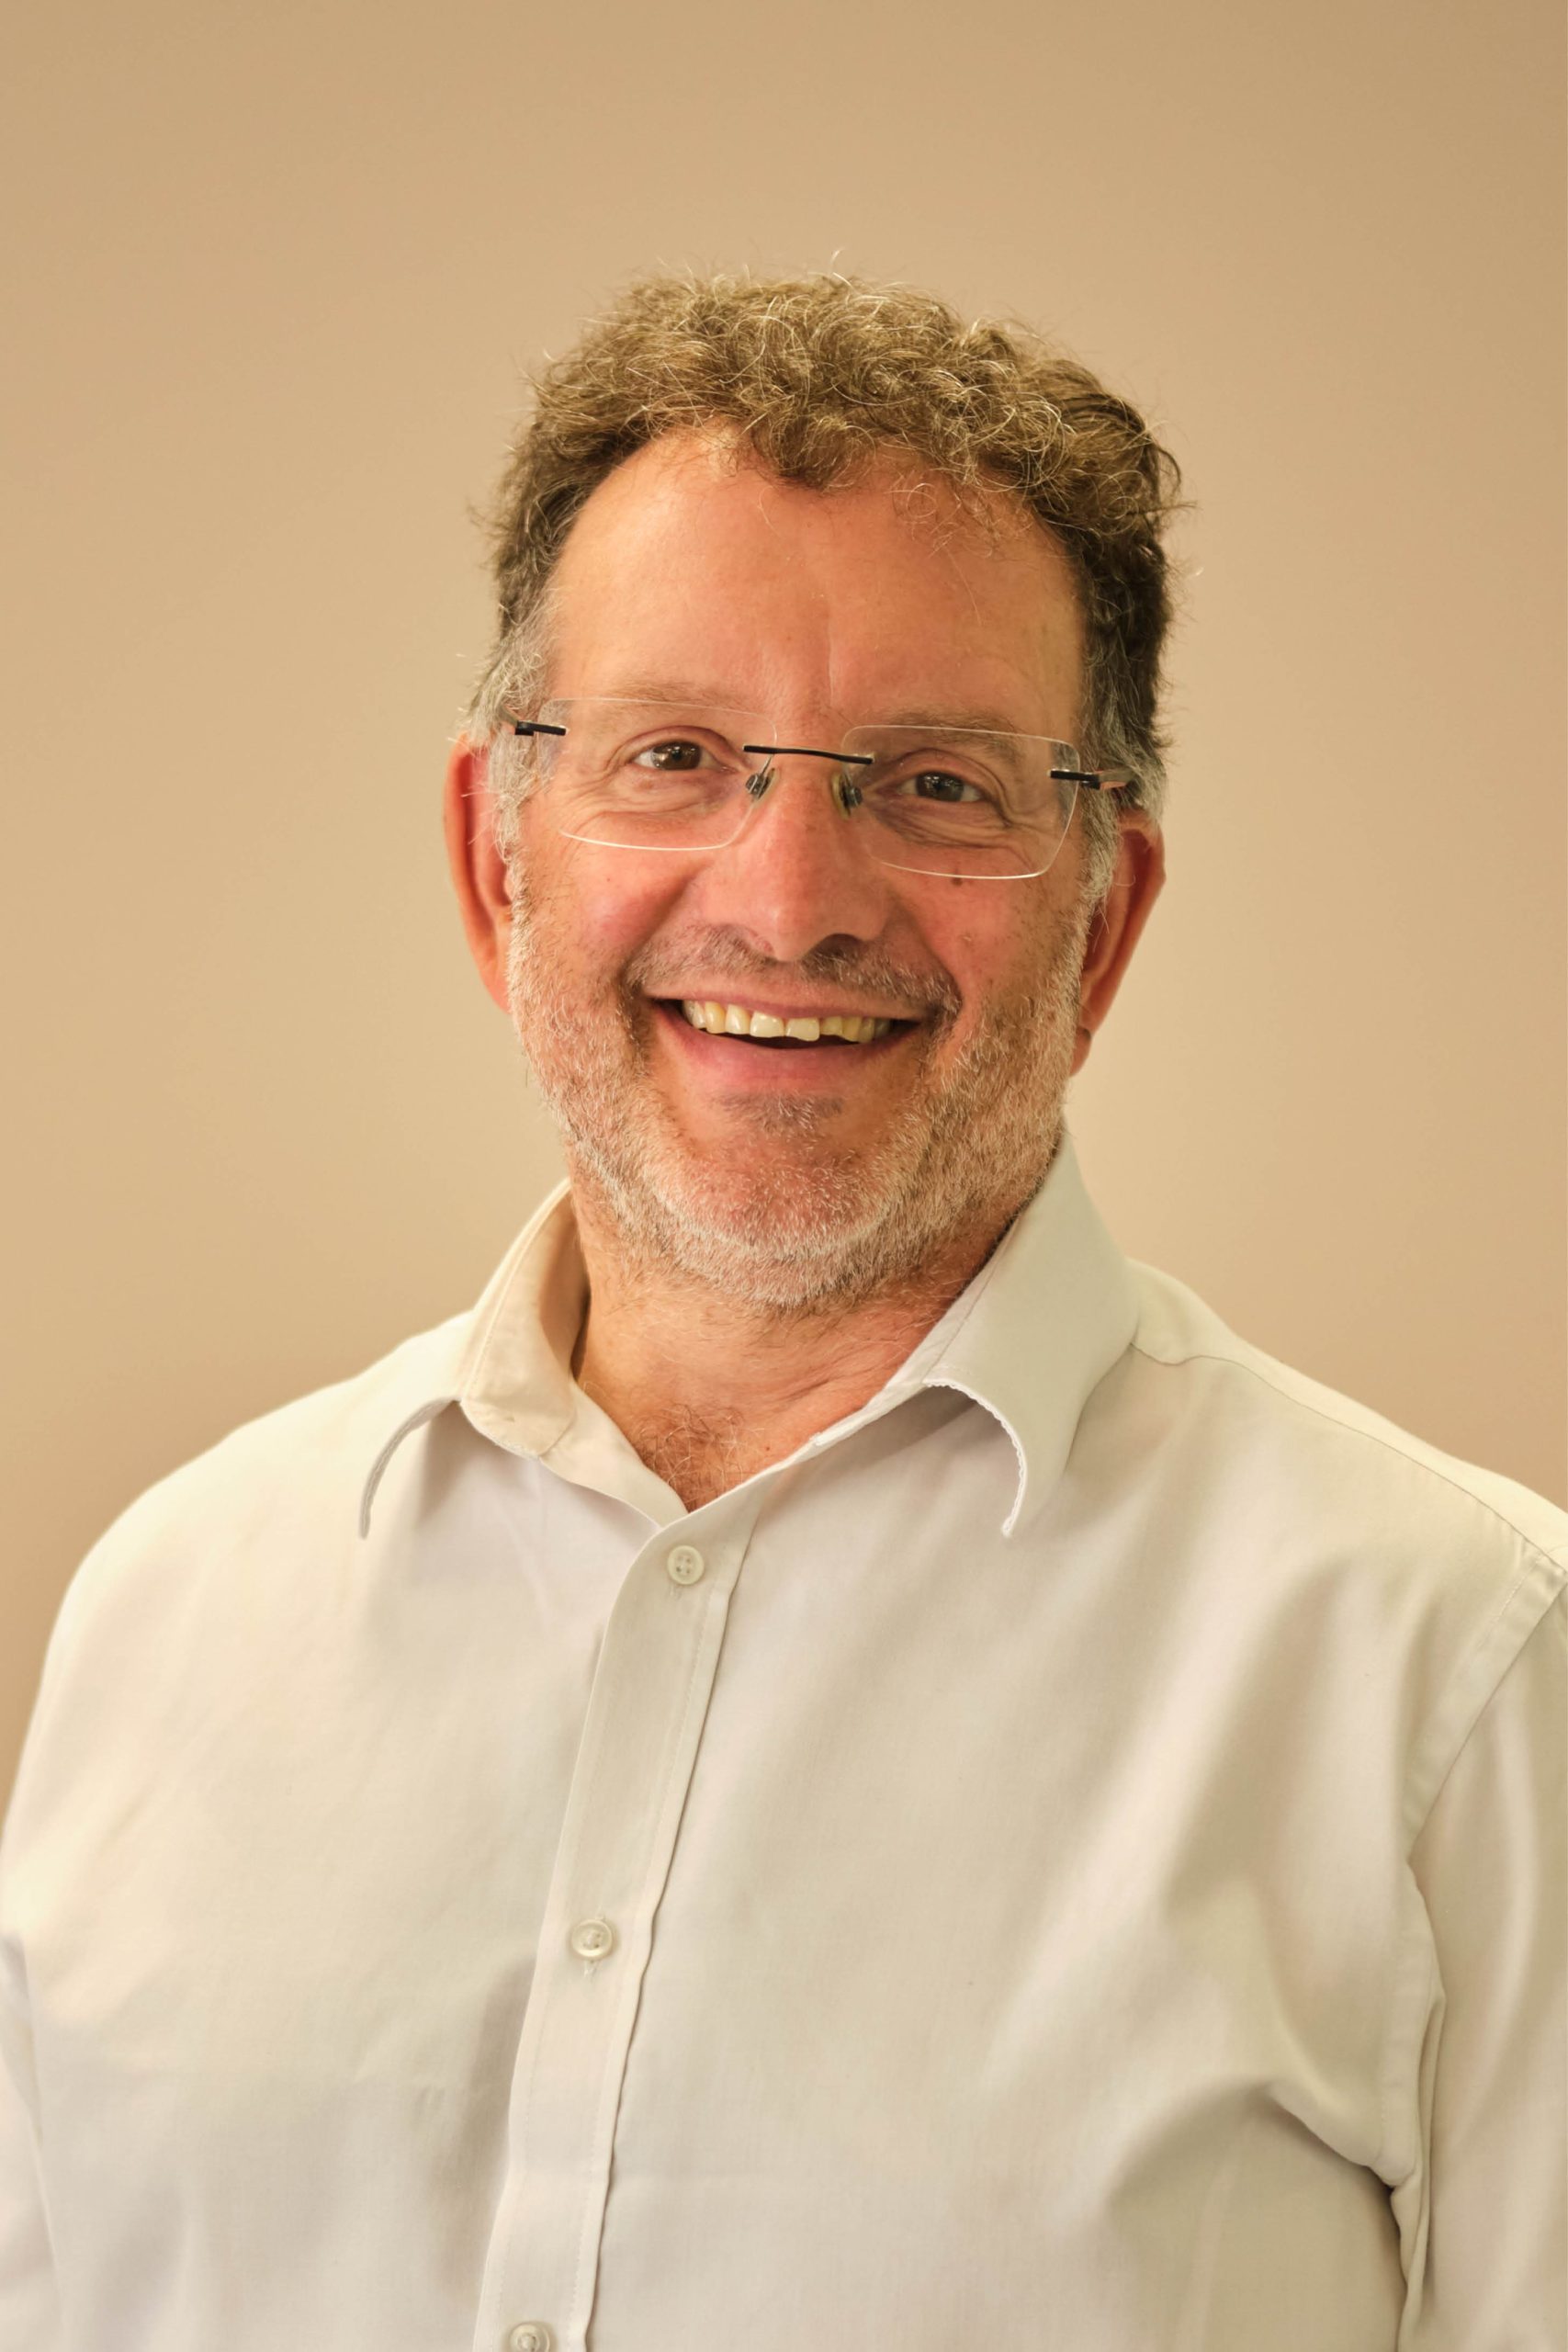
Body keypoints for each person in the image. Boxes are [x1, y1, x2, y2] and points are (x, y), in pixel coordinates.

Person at [1, 272, 1562, 2352]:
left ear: (1103, 921)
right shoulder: (172, 1609)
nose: (788, 896)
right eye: (674, 755)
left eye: (936, 784)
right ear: (494, 862)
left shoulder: (1461, 1677)